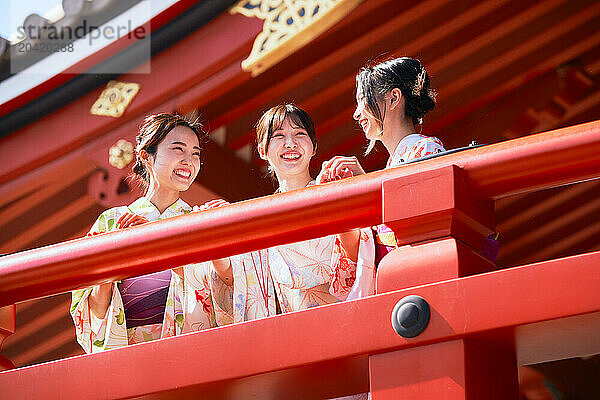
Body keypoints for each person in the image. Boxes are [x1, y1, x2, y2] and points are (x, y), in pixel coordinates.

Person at [70, 113, 232, 353]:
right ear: (146, 156)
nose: (189, 161)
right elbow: (93, 312)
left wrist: (156, 246)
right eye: (179, 149)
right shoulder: (112, 222)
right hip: (127, 349)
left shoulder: (200, 222)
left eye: (196, 154)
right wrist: (111, 264)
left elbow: (224, 293)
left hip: (185, 347)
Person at [199, 104, 373, 322]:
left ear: (314, 146)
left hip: (346, 317)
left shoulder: (333, 192)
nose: (290, 143)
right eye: (279, 136)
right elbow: (238, 278)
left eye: (300, 134)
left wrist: (343, 205)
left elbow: (359, 254)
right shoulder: (257, 216)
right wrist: (216, 239)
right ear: (262, 150)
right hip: (294, 328)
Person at [318, 56, 446, 297]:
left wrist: (368, 187)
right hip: (398, 281)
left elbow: (412, 225)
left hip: (418, 280)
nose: (357, 114)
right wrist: (362, 185)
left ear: (394, 98)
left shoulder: (425, 151)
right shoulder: (401, 160)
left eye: (362, 101)